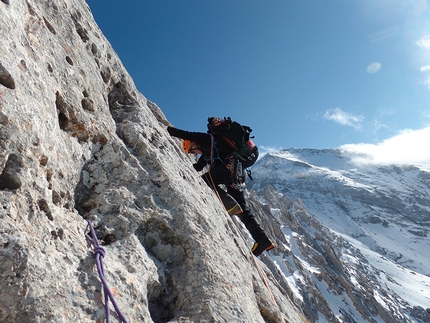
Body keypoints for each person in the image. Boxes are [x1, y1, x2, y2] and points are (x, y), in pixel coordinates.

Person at [167, 121, 275, 257]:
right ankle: (263, 240)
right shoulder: (207, 154)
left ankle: (228, 203)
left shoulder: (206, 140)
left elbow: (185, 134)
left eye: (192, 150)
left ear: (193, 144)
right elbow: (197, 168)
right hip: (237, 170)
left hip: (230, 167)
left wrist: (166, 129)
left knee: (206, 180)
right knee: (244, 210)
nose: (195, 153)